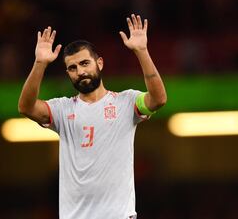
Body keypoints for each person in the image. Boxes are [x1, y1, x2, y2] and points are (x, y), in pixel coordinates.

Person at [18, 14, 167, 219]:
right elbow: (26, 107)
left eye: (85, 63)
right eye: (72, 68)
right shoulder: (62, 110)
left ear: (100, 63)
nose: (80, 71)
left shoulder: (126, 102)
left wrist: (142, 51)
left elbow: (158, 99)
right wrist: (40, 63)